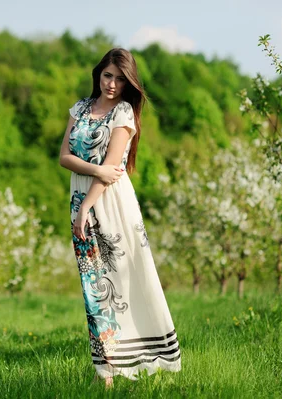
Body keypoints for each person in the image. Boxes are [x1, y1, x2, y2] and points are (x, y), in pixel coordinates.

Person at [59, 48, 181, 388]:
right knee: (93, 287)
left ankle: (151, 357)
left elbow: (113, 172)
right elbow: (64, 156)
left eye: (120, 78)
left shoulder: (124, 112)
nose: (112, 83)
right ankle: (106, 372)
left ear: (129, 83)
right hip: (81, 202)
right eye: (108, 75)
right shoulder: (80, 108)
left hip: (111, 205)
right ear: (99, 73)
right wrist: (92, 179)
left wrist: (86, 206)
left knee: (128, 281)